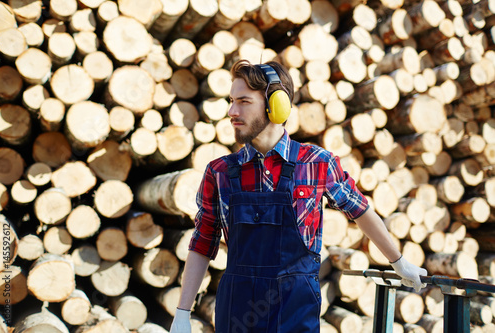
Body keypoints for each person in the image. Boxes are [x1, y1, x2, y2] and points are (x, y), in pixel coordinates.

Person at [170, 60, 427, 332]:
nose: (232, 111)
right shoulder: (219, 172)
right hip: (237, 316)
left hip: (296, 314)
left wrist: (399, 263)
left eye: (243, 101)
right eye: (231, 100)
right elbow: (202, 243)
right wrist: (182, 313)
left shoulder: (317, 163)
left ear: (276, 105)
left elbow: (359, 210)